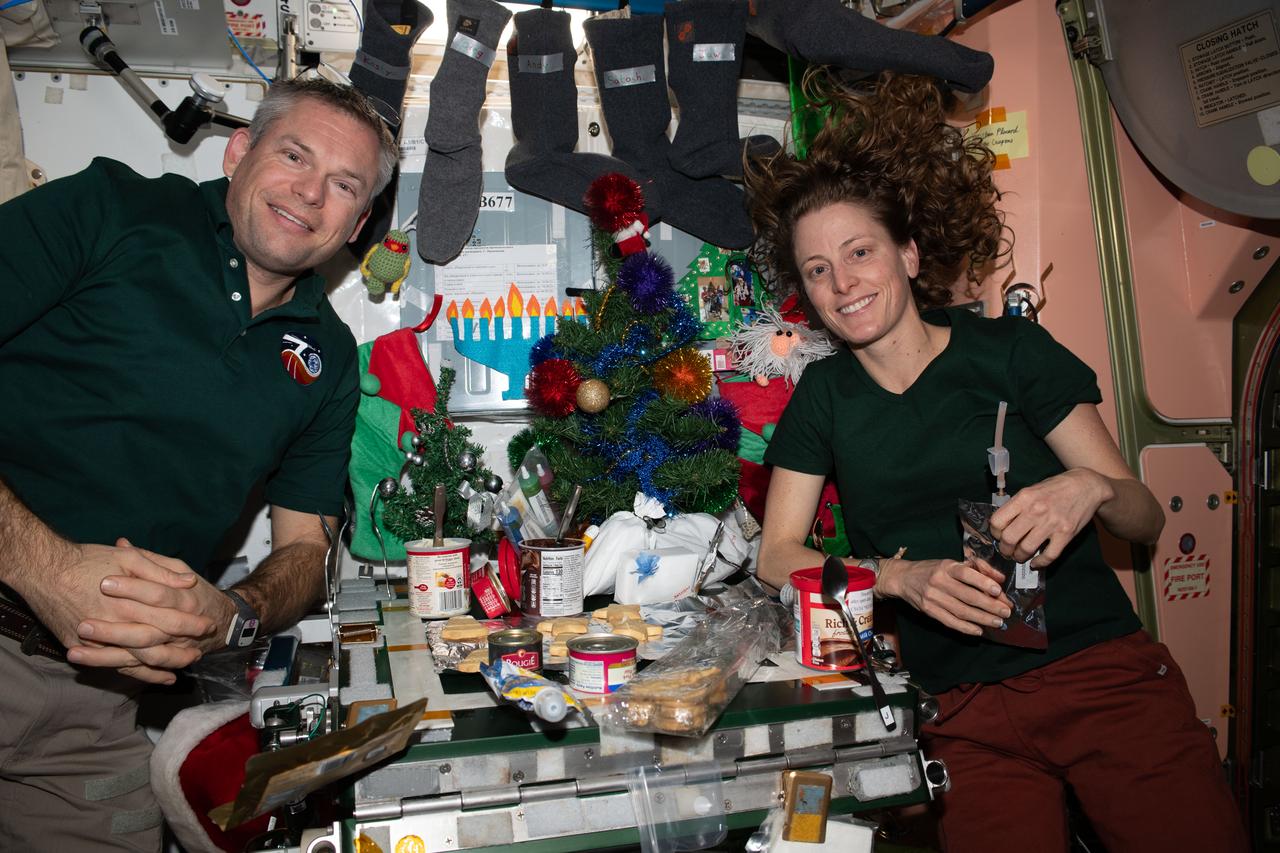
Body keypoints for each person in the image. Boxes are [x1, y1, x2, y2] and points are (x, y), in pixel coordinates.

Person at [747, 72, 1248, 852]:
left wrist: (1087, 487)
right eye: (816, 269)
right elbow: (777, 556)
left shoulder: (1010, 353)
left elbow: (1141, 513)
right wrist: (896, 576)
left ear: (909, 255)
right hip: (962, 708)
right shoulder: (825, 395)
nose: (842, 283)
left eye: (859, 252)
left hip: (1095, 676)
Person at [0, 78, 397, 850]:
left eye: (343, 186)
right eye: (293, 156)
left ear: (360, 221)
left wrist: (233, 613)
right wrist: (39, 565)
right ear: (240, 150)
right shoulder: (111, 209)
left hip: (94, 703)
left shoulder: (332, 358)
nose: (310, 194)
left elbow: (307, 557)